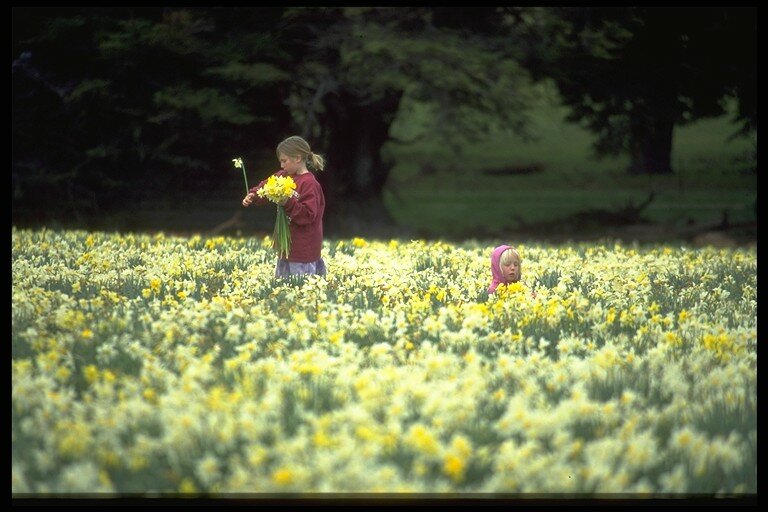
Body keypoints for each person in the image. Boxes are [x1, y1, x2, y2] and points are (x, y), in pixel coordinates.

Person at [242, 136, 327, 278]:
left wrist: (287, 202)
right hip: (286, 248)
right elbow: (266, 186)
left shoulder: (310, 184)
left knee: (303, 291)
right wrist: (253, 195)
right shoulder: (284, 175)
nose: (281, 166)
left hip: (303, 251)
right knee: (284, 290)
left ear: (298, 158)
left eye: (284, 161)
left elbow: (308, 215)